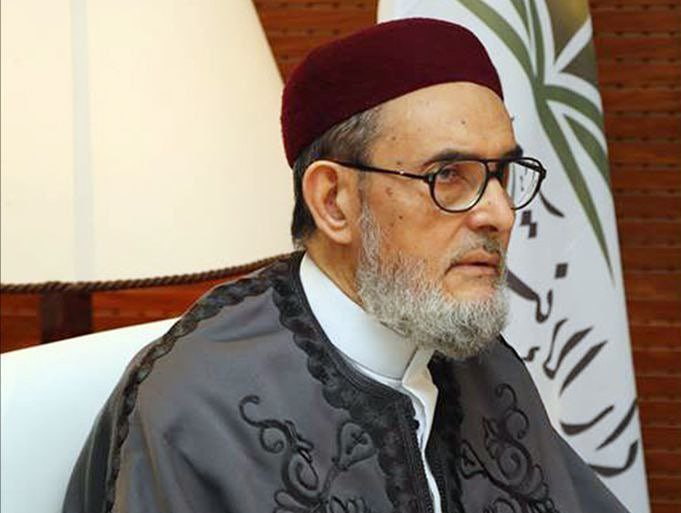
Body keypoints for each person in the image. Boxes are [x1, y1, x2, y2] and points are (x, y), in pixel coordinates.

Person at [63, 18, 629, 513]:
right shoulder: (199, 405)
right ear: (333, 202)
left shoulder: (484, 362)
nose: (500, 214)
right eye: (448, 176)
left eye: (501, 174)